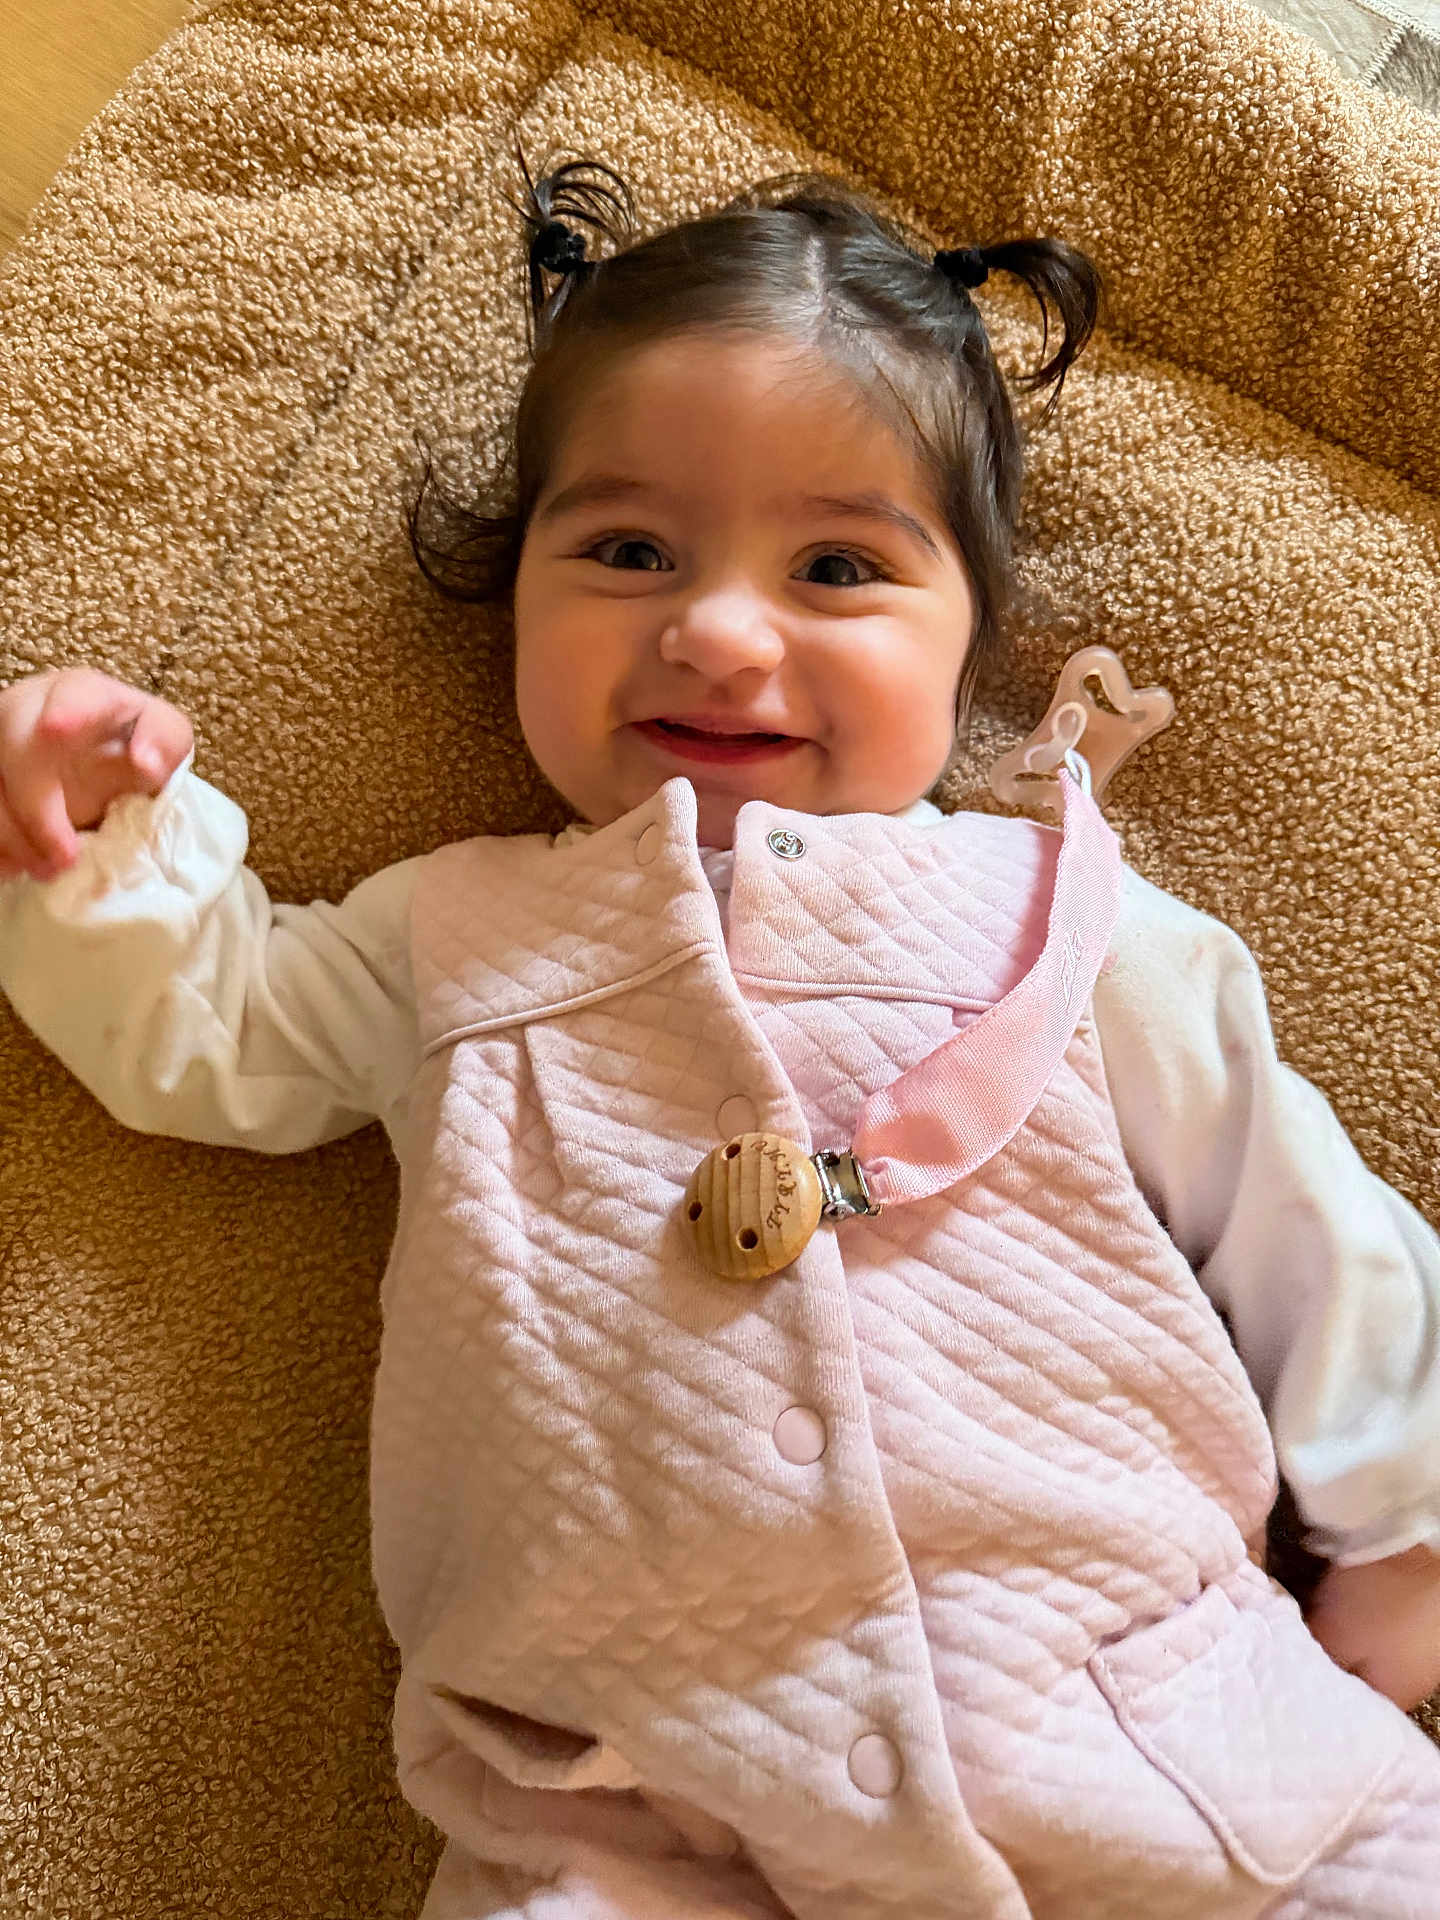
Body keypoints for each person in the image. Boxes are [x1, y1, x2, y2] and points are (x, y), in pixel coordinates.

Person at [1, 145, 1439, 1920]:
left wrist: (1404, 1520)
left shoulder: (1065, 923)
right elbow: (207, 1032)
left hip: (1173, 1744)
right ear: (513, 588)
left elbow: (1307, 1223)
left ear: (971, 638)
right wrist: (94, 842)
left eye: (837, 566)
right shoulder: (447, 937)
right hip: (629, 1815)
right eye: (627, 551)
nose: (716, 629)